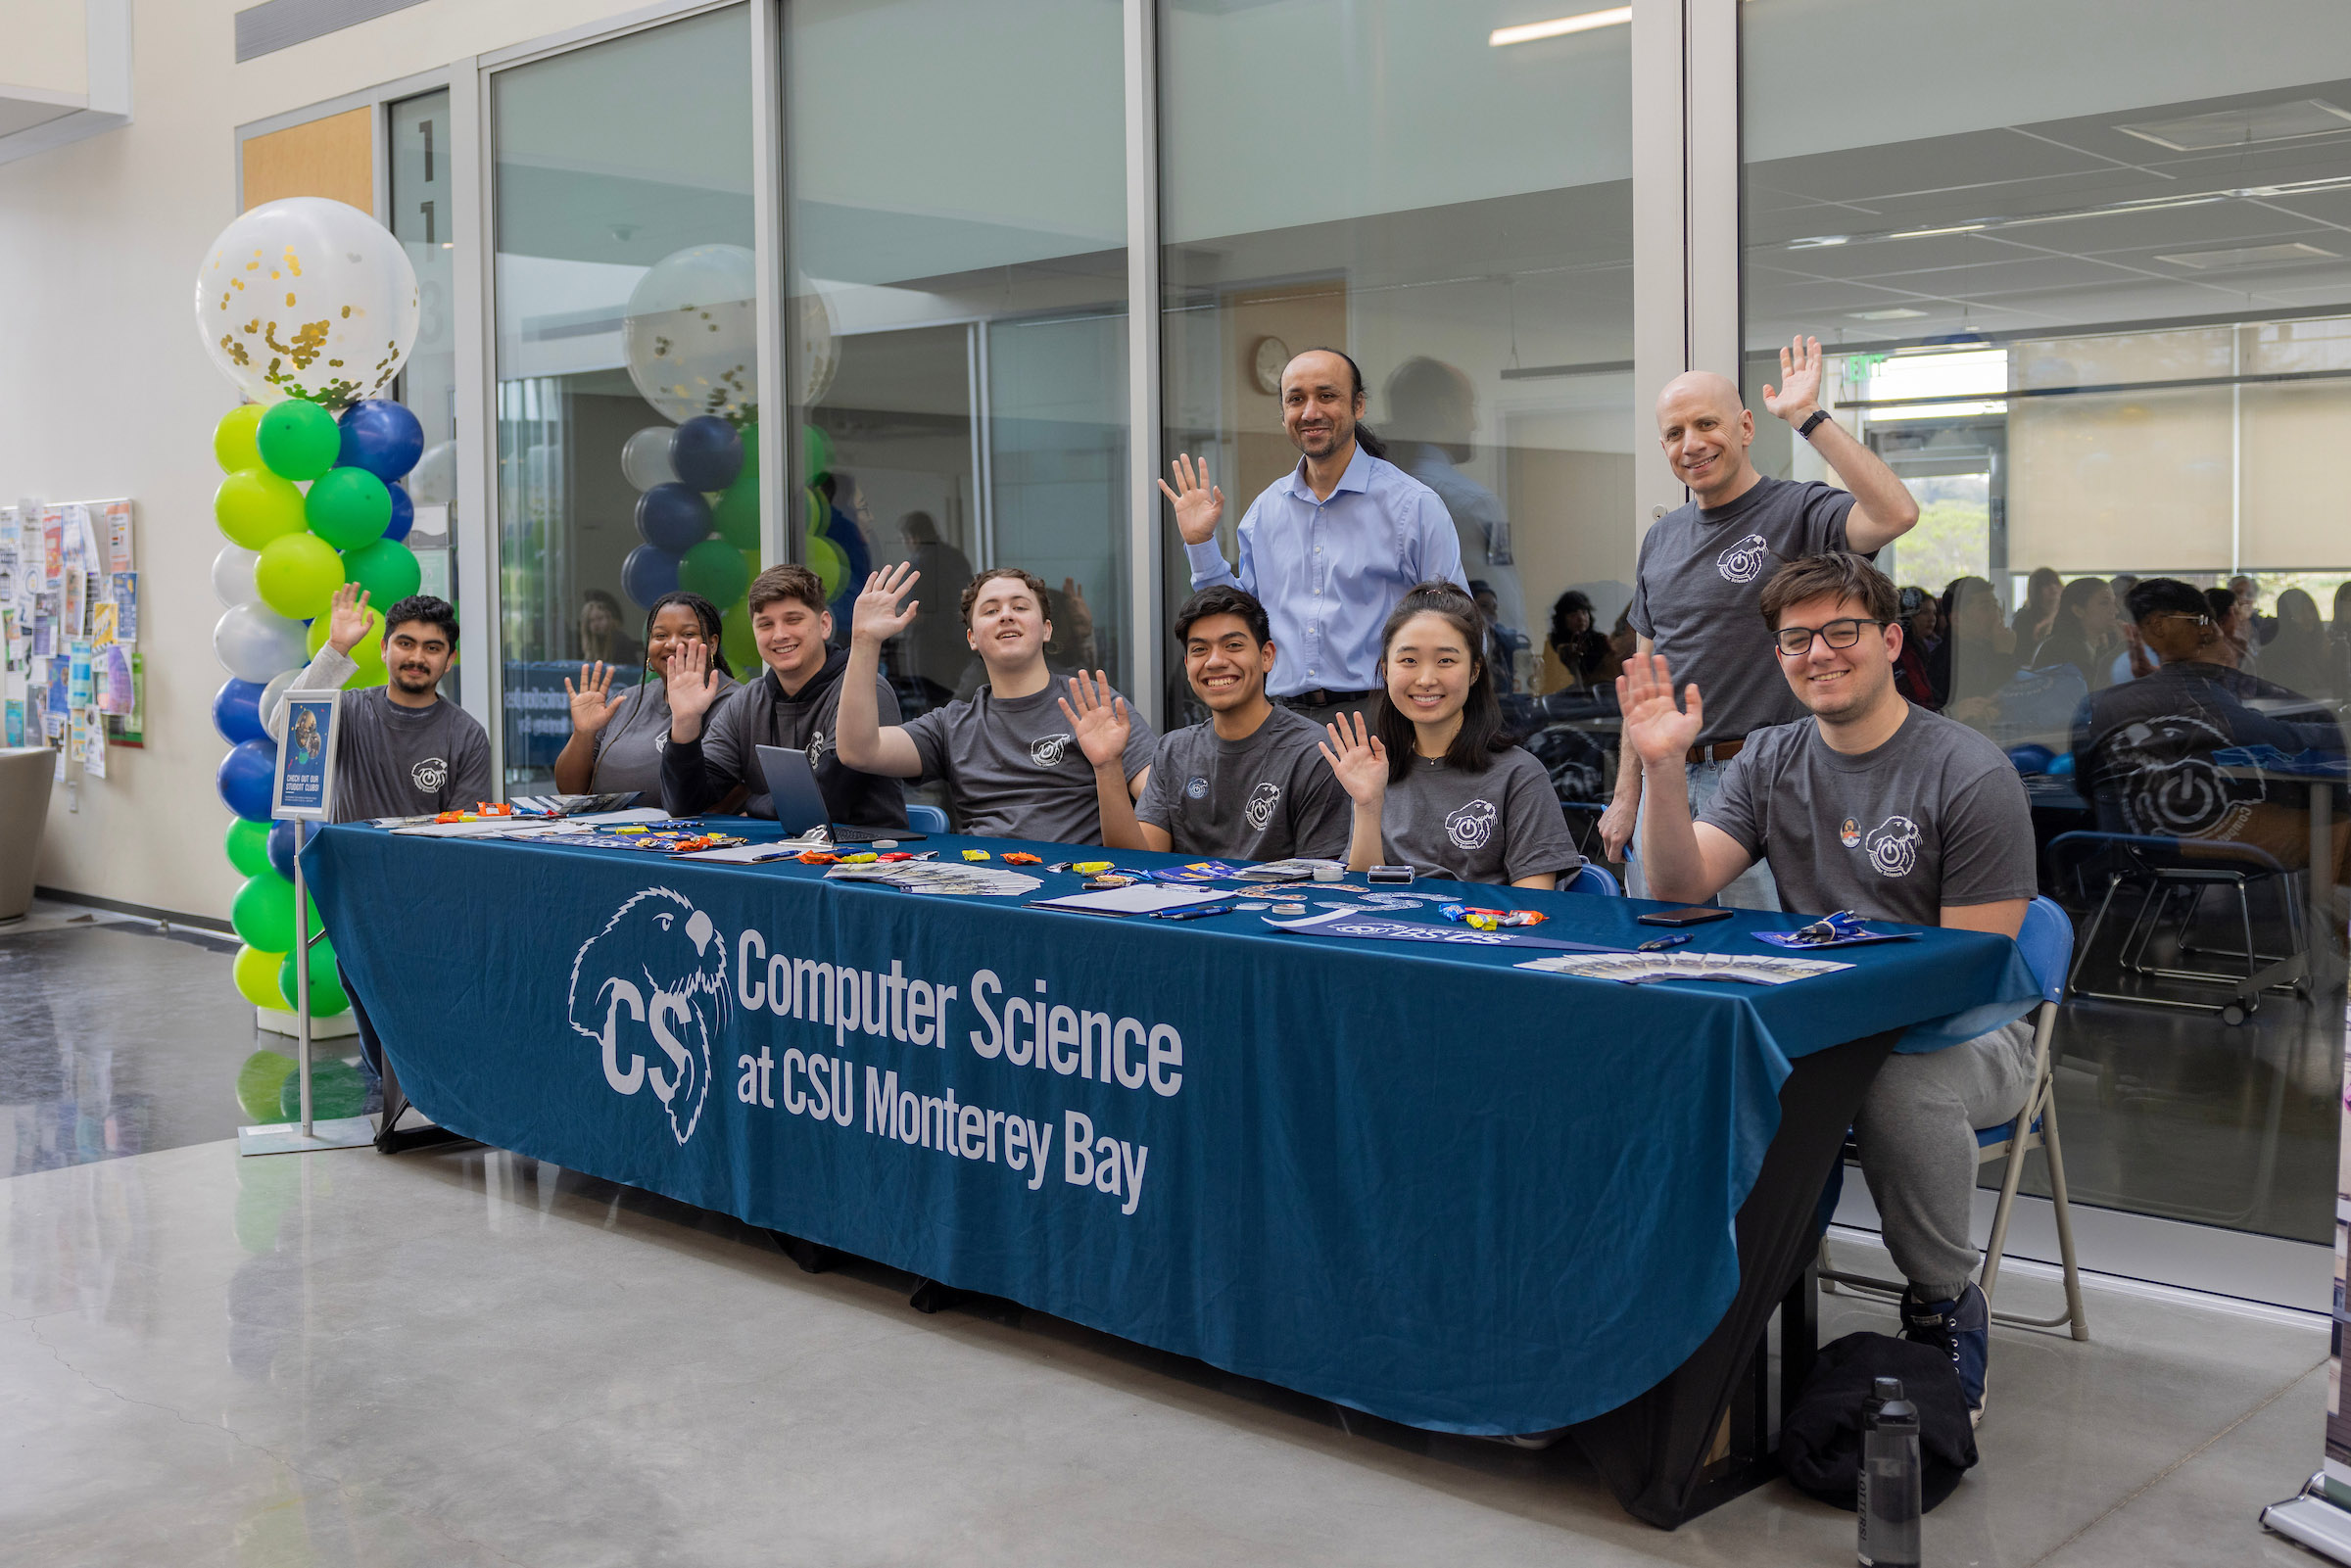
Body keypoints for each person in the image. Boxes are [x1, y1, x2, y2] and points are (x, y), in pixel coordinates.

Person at [1623, 551, 2038, 1423]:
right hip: (1829, 1028)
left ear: (1891, 641)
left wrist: (1841, 1019)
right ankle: (1735, 1288)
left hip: (1969, 1037)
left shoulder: (1968, 770)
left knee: (1892, 1084)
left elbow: (1976, 968)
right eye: (1796, 638)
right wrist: (1664, 770)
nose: (1820, 652)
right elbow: (1677, 887)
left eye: (1842, 631)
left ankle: (1941, 1301)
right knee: (1717, 1060)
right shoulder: (1769, 758)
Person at [1600, 337, 1922, 906]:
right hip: (1668, 781)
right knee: (1662, 953)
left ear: (1746, 427)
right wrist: (1629, 793)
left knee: (1768, 955)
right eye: (1675, 434)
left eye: (1707, 424)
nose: (1691, 445)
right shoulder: (1661, 537)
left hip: (1762, 779)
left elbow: (1896, 512)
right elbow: (1646, 677)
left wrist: (1807, 417)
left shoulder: (1797, 511)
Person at [1160, 347, 1467, 731]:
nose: (1310, 412)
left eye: (1326, 396)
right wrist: (1201, 541)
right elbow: (1233, 623)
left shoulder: (1413, 506)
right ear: (1284, 413)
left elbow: (1457, 625)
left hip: (1381, 717)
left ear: (1358, 406)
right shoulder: (1265, 511)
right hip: (1281, 718)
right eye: (1296, 399)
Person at [266, 586, 493, 1105]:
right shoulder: (346, 713)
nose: (417, 657)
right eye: (406, 644)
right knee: (371, 1021)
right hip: (354, 901)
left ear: (449, 659)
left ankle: (434, 1109)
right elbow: (285, 729)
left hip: (429, 906)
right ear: (386, 648)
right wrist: (335, 650)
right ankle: (393, 1104)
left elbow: (466, 830)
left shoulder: (465, 735)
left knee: (426, 1022)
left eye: (432, 648)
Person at [837, 563, 1156, 843]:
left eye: (1020, 607)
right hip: (984, 887)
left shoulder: (1094, 706)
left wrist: (1110, 769)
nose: (1005, 616)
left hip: (1075, 888)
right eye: (990, 611)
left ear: (1046, 630)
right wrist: (865, 641)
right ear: (972, 638)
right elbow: (859, 750)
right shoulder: (953, 724)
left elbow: (1160, 798)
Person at [2073, 578, 2349, 882]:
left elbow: (2088, 783)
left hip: (2131, 847)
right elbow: (2275, 737)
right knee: (2339, 830)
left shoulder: (2098, 703)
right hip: (2197, 842)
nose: (2208, 630)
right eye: (2199, 621)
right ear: (2160, 627)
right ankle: (2322, 926)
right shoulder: (2199, 693)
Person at [1319, 582, 1584, 887]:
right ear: (1386, 670)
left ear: (1475, 671)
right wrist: (1367, 805)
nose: (1426, 678)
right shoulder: (1375, 768)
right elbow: (1360, 894)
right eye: (1408, 660)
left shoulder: (1520, 775)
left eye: (1446, 660)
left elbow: (1533, 907)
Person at [1073, 586, 1351, 861]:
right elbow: (1137, 860)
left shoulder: (1314, 751)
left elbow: (1321, 879)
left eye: (1233, 645)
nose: (1215, 661)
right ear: (1186, 664)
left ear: (1267, 656)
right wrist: (1107, 766)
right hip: (1183, 903)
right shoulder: (1172, 750)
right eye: (1200, 650)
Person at [659, 564, 906, 829]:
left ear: (824, 625)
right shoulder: (746, 702)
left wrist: (752, 804)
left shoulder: (867, 691)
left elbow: (827, 803)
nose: (779, 635)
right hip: (773, 855)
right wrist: (685, 723)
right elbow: (684, 805)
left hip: (865, 859)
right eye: (765, 624)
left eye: (793, 620)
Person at [1385, 355, 1524, 638]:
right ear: (1447, 410)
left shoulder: (1375, 495)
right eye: (1469, 407)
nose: (1476, 424)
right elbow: (1505, 604)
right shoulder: (1477, 504)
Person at [554, 593, 736, 796]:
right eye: (660, 636)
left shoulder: (735, 704)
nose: (672, 644)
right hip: (605, 827)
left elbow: (727, 795)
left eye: (688, 634)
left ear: (712, 643)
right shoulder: (625, 701)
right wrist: (583, 734)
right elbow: (569, 790)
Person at [896, 510, 976, 708]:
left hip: (929, 648)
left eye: (904, 539)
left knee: (934, 709)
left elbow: (914, 612)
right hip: (960, 642)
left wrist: (891, 612)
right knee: (962, 703)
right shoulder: (956, 557)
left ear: (913, 538)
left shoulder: (919, 563)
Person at [1931, 577, 2021, 727]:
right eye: (1985, 608)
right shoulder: (1946, 661)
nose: (1996, 614)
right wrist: (2004, 655)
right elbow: (1987, 701)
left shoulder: (1988, 646)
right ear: (1958, 619)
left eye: (1996, 606)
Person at [2030, 576, 2119, 693]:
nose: (2115, 611)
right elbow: (2097, 694)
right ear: (2078, 610)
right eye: (2104, 603)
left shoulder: (2096, 645)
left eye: (2113, 603)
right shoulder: (2061, 648)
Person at [1541, 590, 1614, 691]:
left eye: (1584, 612)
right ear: (1562, 619)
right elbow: (1549, 678)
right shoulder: (1554, 643)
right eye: (1573, 615)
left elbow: (1609, 672)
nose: (1581, 618)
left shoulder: (1599, 640)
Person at [2262, 588, 2329, 697]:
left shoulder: (2322, 644)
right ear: (2287, 617)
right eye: (2299, 613)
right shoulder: (2275, 653)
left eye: (2311, 610)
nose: (2309, 617)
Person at [577, 589, 642, 668]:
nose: (596, 624)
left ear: (609, 618)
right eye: (591, 620)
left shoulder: (622, 641)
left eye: (600, 618)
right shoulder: (584, 645)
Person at [2015, 566, 2064, 655]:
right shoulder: (2023, 620)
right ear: (2036, 590)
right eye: (2046, 584)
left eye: (2056, 583)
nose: (2053, 587)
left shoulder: (2067, 616)